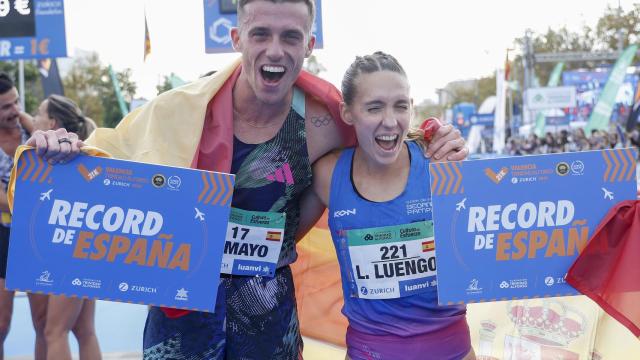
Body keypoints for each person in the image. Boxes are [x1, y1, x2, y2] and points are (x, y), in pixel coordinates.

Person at [21, 1, 468, 358]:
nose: (275, 49)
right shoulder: (177, 111)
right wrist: (58, 152)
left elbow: (385, 135)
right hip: (182, 316)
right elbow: (108, 155)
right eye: (261, 34)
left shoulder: (325, 121)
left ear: (309, 43)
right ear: (236, 38)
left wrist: (435, 140)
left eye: (290, 36)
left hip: (267, 316)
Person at [303, 52, 474, 359]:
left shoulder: (440, 163)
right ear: (347, 112)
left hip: (452, 351)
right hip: (370, 351)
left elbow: (486, 239)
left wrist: (465, 164)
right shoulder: (328, 176)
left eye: (400, 105)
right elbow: (281, 240)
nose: (391, 121)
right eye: (374, 107)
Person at [31, 94, 101, 360]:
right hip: (83, 249)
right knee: (84, 331)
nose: (32, 118)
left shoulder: (57, 161)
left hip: (67, 251)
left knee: (54, 332)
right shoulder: (85, 155)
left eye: (37, 112)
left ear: (52, 123)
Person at [0, 72, 41, 359]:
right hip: (3, 236)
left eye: (16, 102)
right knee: (1, 325)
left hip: (33, 234)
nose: (15, 110)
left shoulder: (28, 127)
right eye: (5, 107)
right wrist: (35, 205)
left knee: (45, 323)